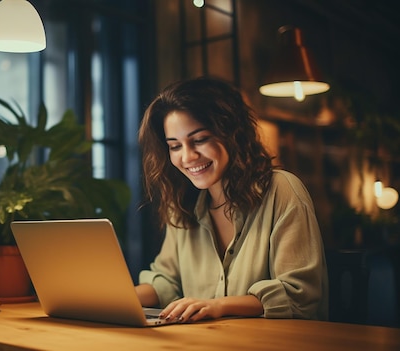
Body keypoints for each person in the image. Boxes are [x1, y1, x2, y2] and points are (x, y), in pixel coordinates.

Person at [134, 77, 328, 323]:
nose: (188, 156)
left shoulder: (282, 190)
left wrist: (218, 306)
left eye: (200, 140)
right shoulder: (182, 205)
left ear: (232, 134)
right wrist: (115, 298)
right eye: (174, 146)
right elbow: (167, 281)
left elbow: (299, 296)